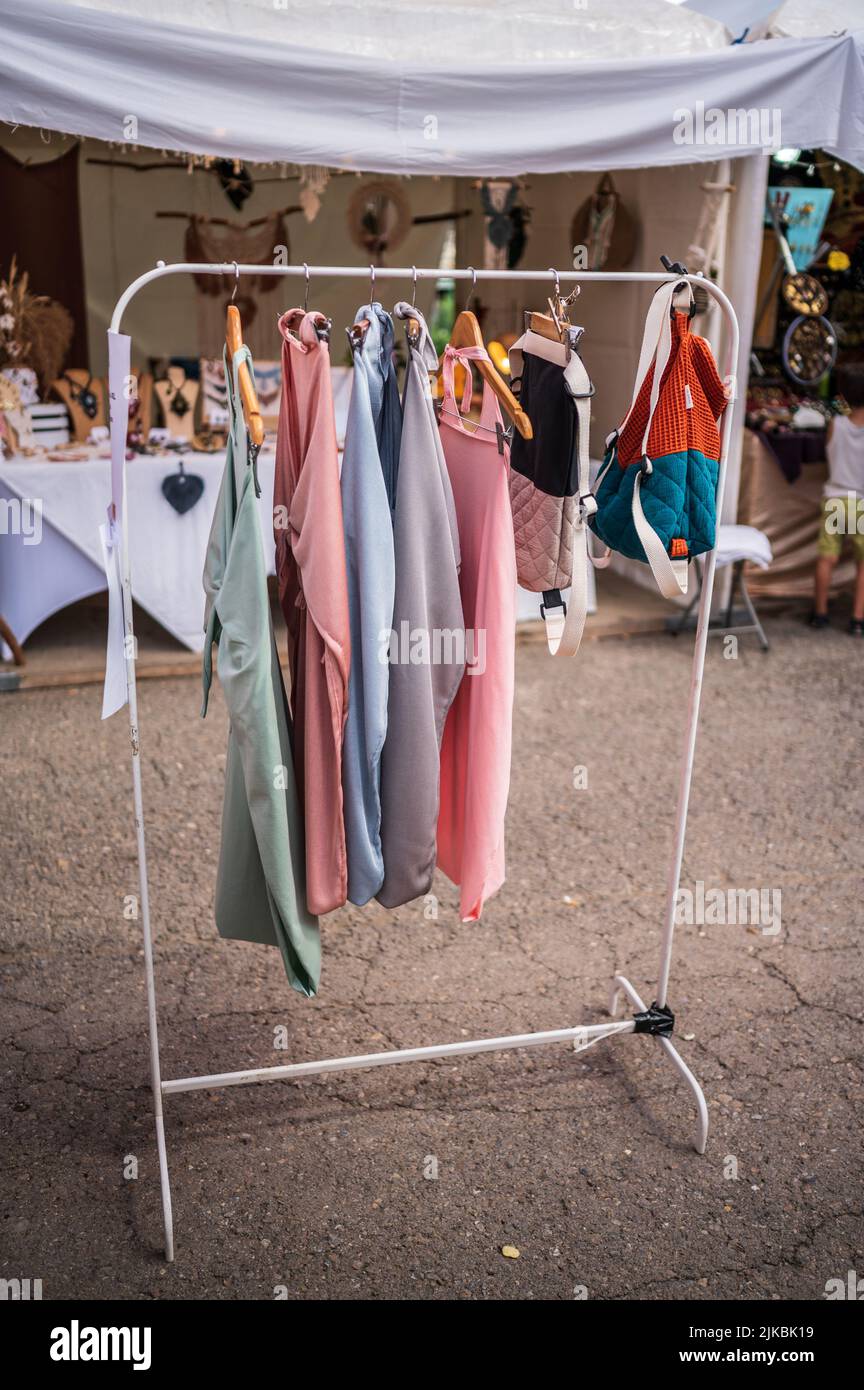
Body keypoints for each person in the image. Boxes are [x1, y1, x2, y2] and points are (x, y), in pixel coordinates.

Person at [810, 363, 864, 635]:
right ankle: (857, 618)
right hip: (862, 503)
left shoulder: (836, 425)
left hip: (836, 498)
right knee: (862, 562)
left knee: (826, 558)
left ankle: (820, 613)